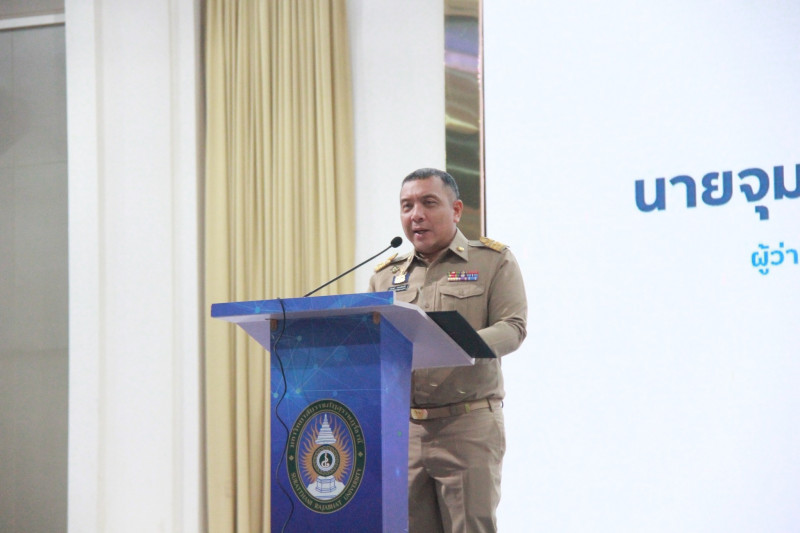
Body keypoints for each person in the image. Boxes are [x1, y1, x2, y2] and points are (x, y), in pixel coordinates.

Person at [369, 168, 528, 532]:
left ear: (456, 210)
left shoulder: (492, 261)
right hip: (405, 430)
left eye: (428, 203)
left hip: (467, 424)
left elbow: (513, 327)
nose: (416, 215)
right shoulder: (384, 276)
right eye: (407, 206)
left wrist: (457, 344)